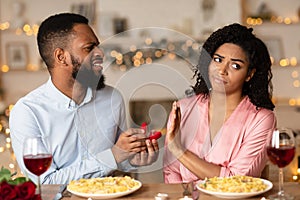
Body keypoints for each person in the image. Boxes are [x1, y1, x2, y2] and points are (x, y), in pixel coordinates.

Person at [9, 13, 159, 184]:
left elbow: (120, 159)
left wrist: (133, 159)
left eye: (98, 46)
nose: (100, 54)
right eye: (89, 48)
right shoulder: (27, 112)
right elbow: (46, 184)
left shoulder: (112, 98)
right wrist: (113, 155)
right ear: (61, 57)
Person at [163, 23, 276, 183]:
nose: (222, 70)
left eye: (235, 65)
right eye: (218, 60)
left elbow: (239, 181)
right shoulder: (183, 108)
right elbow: (171, 171)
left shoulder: (261, 120)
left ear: (249, 74)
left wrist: (179, 150)